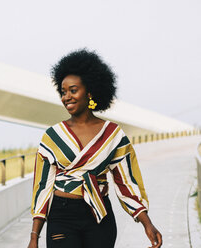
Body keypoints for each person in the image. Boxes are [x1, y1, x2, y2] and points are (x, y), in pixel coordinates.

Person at [27, 49, 162, 248]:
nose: (66, 97)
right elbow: (42, 187)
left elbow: (126, 183)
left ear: (89, 92)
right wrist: (34, 236)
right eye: (63, 92)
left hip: (100, 216)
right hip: (62, 216)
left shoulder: (113, 135)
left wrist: (147, 224)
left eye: (73, 90)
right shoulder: (52, 136)